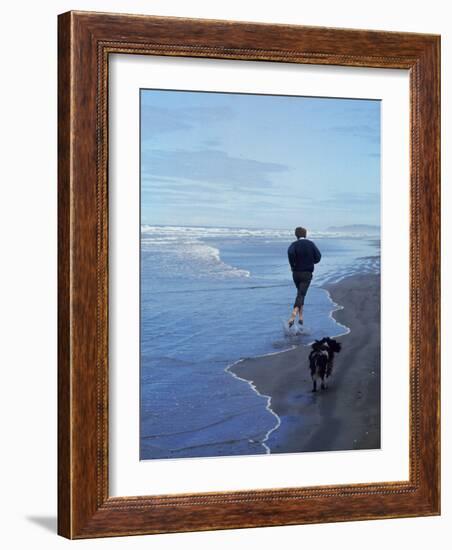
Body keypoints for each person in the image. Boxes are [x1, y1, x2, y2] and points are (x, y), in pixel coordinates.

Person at [287, 226, 321, 327]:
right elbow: (318, 257)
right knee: (301, 294)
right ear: (305, 234)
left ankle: (301, 317)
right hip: (306, 273)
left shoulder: (293, 245)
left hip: (296, 273)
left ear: (296, 235)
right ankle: (294, 313)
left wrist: (293, 265)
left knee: (300, 293)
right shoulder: (311, 244)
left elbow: (290, 253)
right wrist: (311, 261)